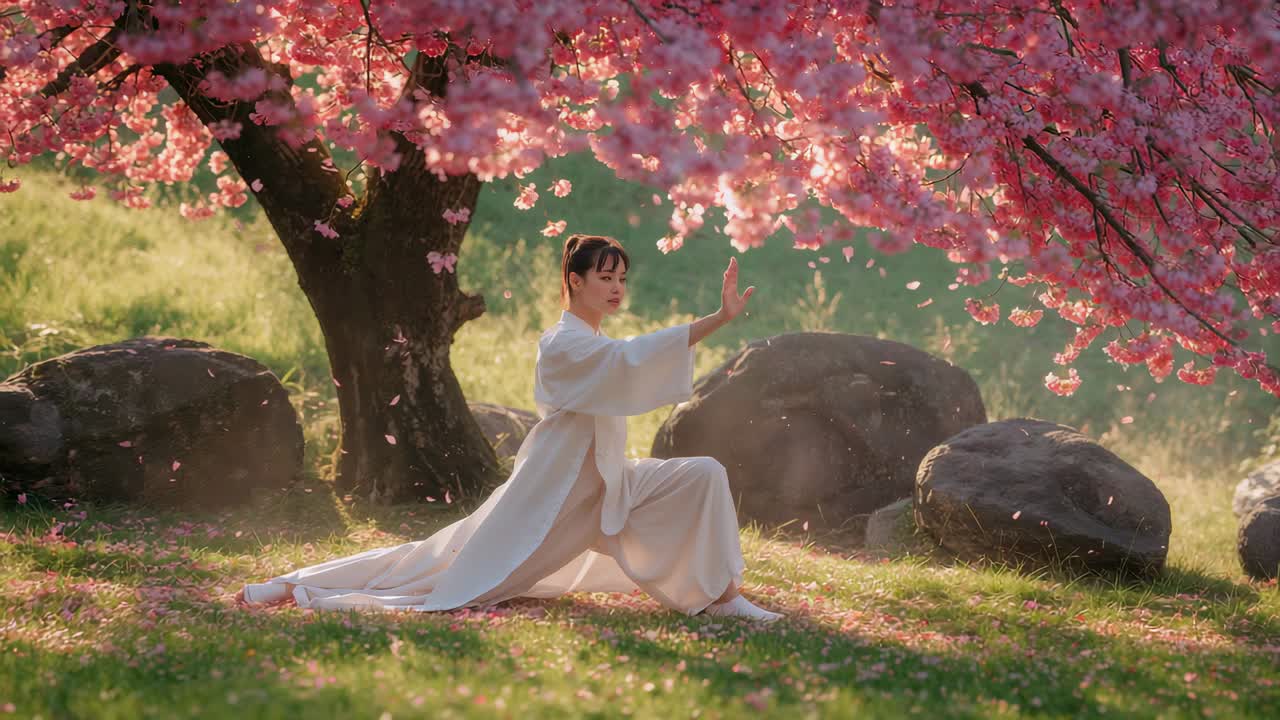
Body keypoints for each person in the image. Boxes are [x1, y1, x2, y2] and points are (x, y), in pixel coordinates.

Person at [237, 233, 781, 622]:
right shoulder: (563, 344)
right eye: (606, 277)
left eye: (621, 279)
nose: (617, 288)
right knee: (443, 568)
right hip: (558, 490)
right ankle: (292, 585)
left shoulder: (592, 343)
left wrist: (717, 319)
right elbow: (629, 363)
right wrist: (714, 322)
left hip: (611, 484)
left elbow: (626, 362)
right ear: (576, 280)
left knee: (703, 474)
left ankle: (724, 596)